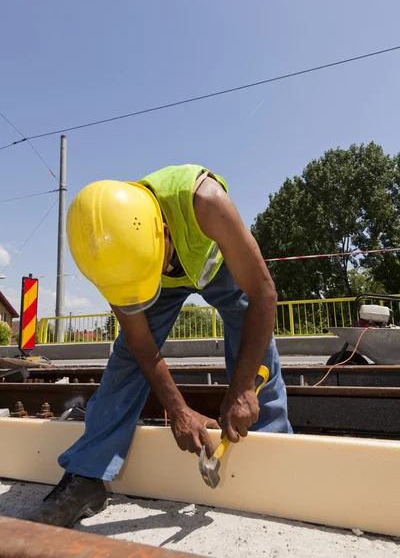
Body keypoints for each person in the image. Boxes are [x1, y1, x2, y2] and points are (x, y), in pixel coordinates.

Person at [31, 164, 292, 528]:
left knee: (253, 331)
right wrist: (178, 409)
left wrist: (243, 387)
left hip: (215, 265)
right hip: (151, 272)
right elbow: (140, 342)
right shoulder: (106, 250)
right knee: (125, 360)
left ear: (163, 233)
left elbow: (264, 294)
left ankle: (277, 456)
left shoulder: (207, 202)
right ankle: (86, 476)